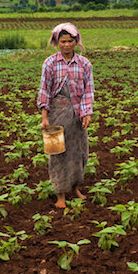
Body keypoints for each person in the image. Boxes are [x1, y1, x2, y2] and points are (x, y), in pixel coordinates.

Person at [37, 22, 93, 209]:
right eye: (63, 41)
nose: (66, 45)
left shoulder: (84, 64)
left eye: (70, 41)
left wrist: (86, 114)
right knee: (57, 153)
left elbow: (88, 91)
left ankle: (74, 188)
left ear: (76, 42)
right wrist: (44, 117)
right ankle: (60, 194)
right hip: (56, 113)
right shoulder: (50, 63)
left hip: (77, 115)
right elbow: (44, 90)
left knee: (79, 152)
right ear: (57, 42)